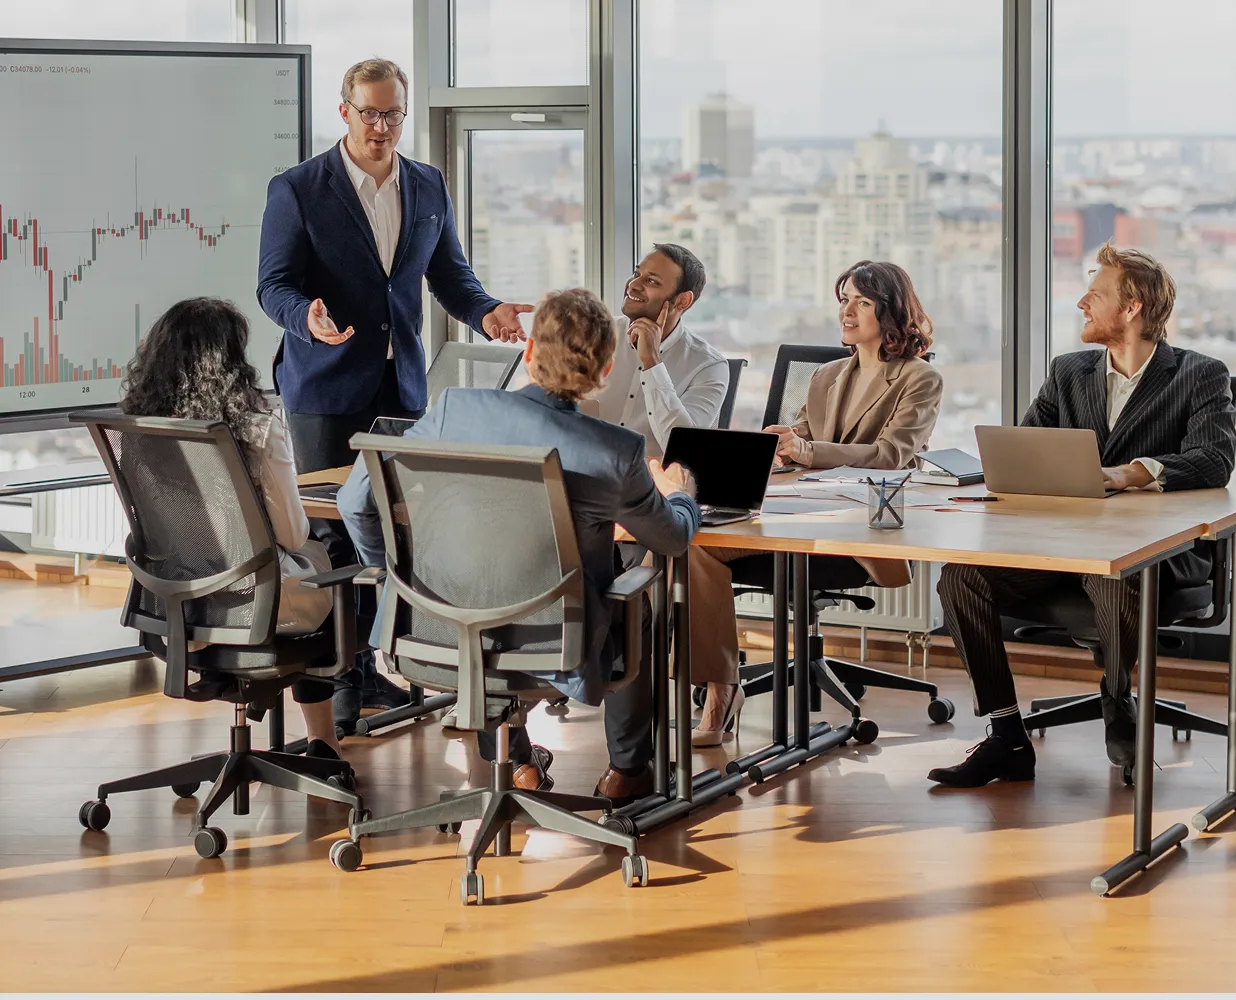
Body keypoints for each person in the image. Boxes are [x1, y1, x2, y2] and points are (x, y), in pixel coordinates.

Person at [337, 288, 701, 805]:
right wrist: (681, 495)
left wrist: (397, 584)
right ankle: (627, 772)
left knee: (481, 586)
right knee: (638, 595)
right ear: (604, 371)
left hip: (431, 632)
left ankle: (518, 764)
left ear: (528, 353)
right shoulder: (615, 451)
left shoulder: (452, 411)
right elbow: (671, 537)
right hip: (555, 648)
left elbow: (355, 503)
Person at [256, 57, 533, 732]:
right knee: (334, 540)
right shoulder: (298, 189)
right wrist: (307, 318)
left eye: (393, 115)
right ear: (344, 111)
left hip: (401, 386)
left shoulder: (428, 184)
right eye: (370, 113)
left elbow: (451, 277)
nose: (382, 128)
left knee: (401, 533)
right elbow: (274, 285)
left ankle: (380, 669)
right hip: (324, 387)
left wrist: (488, 312)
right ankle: (337, 689)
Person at [930, 243, 1236, 788]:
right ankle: (1006, 736)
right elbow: (1024, 448)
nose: (1080, 303)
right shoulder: (1069, 372)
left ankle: (1118, 701)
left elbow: (1215, 459)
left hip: (1163, 556)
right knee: (960, 577)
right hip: (1067, 547)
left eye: (1094, 295)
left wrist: (1128, 473)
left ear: (1133, 305)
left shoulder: (1200, 374)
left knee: (1116, 573)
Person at [689, 260, 943, 745]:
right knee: (696, 543)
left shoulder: (919, 379)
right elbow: (803, 438)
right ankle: (722, 686)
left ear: (890, 313)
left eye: (861, 302)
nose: (847, 312)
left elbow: (891, 456)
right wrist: (777, 444)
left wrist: (806, 450)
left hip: (863, 530)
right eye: (843, 299)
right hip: (799, 514)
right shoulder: (826, 375)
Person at [120, 297, 345, 761]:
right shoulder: (256, 429)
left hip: (174, 606)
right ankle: (324, 739)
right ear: (230, 361)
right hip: (251, 607)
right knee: (336, 564)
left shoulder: (141, 430)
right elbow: (291, 534)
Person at [591, 243, 730, 458]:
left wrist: (652, 364)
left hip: (654, 486)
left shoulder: (708, 366)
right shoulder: (595, 334)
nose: (633, 285)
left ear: (682, 301)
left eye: (652, 281)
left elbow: (685, 450)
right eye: (637, 274)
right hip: (585, 478)